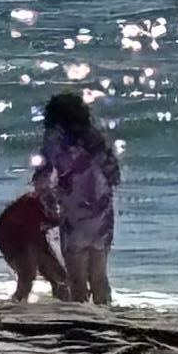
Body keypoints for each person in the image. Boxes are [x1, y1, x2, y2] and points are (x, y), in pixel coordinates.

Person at [35, 88, 121, 306]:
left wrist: (47, 200)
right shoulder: (94, 136)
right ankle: (106, 316)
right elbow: (113, 173)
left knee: (76, 278)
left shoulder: (54, 138)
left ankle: (82, 321)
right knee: (99, 274)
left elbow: (44, 174)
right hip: (100, 209)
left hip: (73, 210)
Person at [0, 182, 64, 302]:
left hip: (24, 235)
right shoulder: (29, 207)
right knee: (28, 275)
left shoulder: (40, 204)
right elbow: (36, 238)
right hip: (12, 239)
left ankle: (62, 303)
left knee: (58, 275)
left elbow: (49, 224)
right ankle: (18, 302)